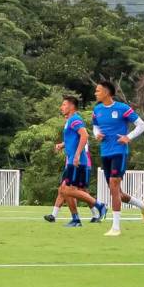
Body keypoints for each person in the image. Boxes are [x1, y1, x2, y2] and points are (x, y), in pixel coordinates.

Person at [92, 80, 144, 236]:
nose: (95, 93)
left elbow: (142, 125)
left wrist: (128, 137)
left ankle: (116, 228)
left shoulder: (122, 108)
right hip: (105, 152)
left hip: (119, 152)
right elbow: (95, 126)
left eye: (98, 91)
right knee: (116, 191)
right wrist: (96, 134)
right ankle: (142, 205)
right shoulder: (97, 110)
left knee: (113, 185)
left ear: (107, 92)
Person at [44, 95, 104, 227]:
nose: (61, 107)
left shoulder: (75, 119)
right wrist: (62, 145)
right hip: (73, 160)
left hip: (77, 161)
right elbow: (74, 139)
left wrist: (76, 156)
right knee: (66, 189)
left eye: (64, 105)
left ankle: (96, 207)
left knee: (69, 190)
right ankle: (75, 217)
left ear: (71, 106)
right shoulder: (70, 121)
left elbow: (84, 135)